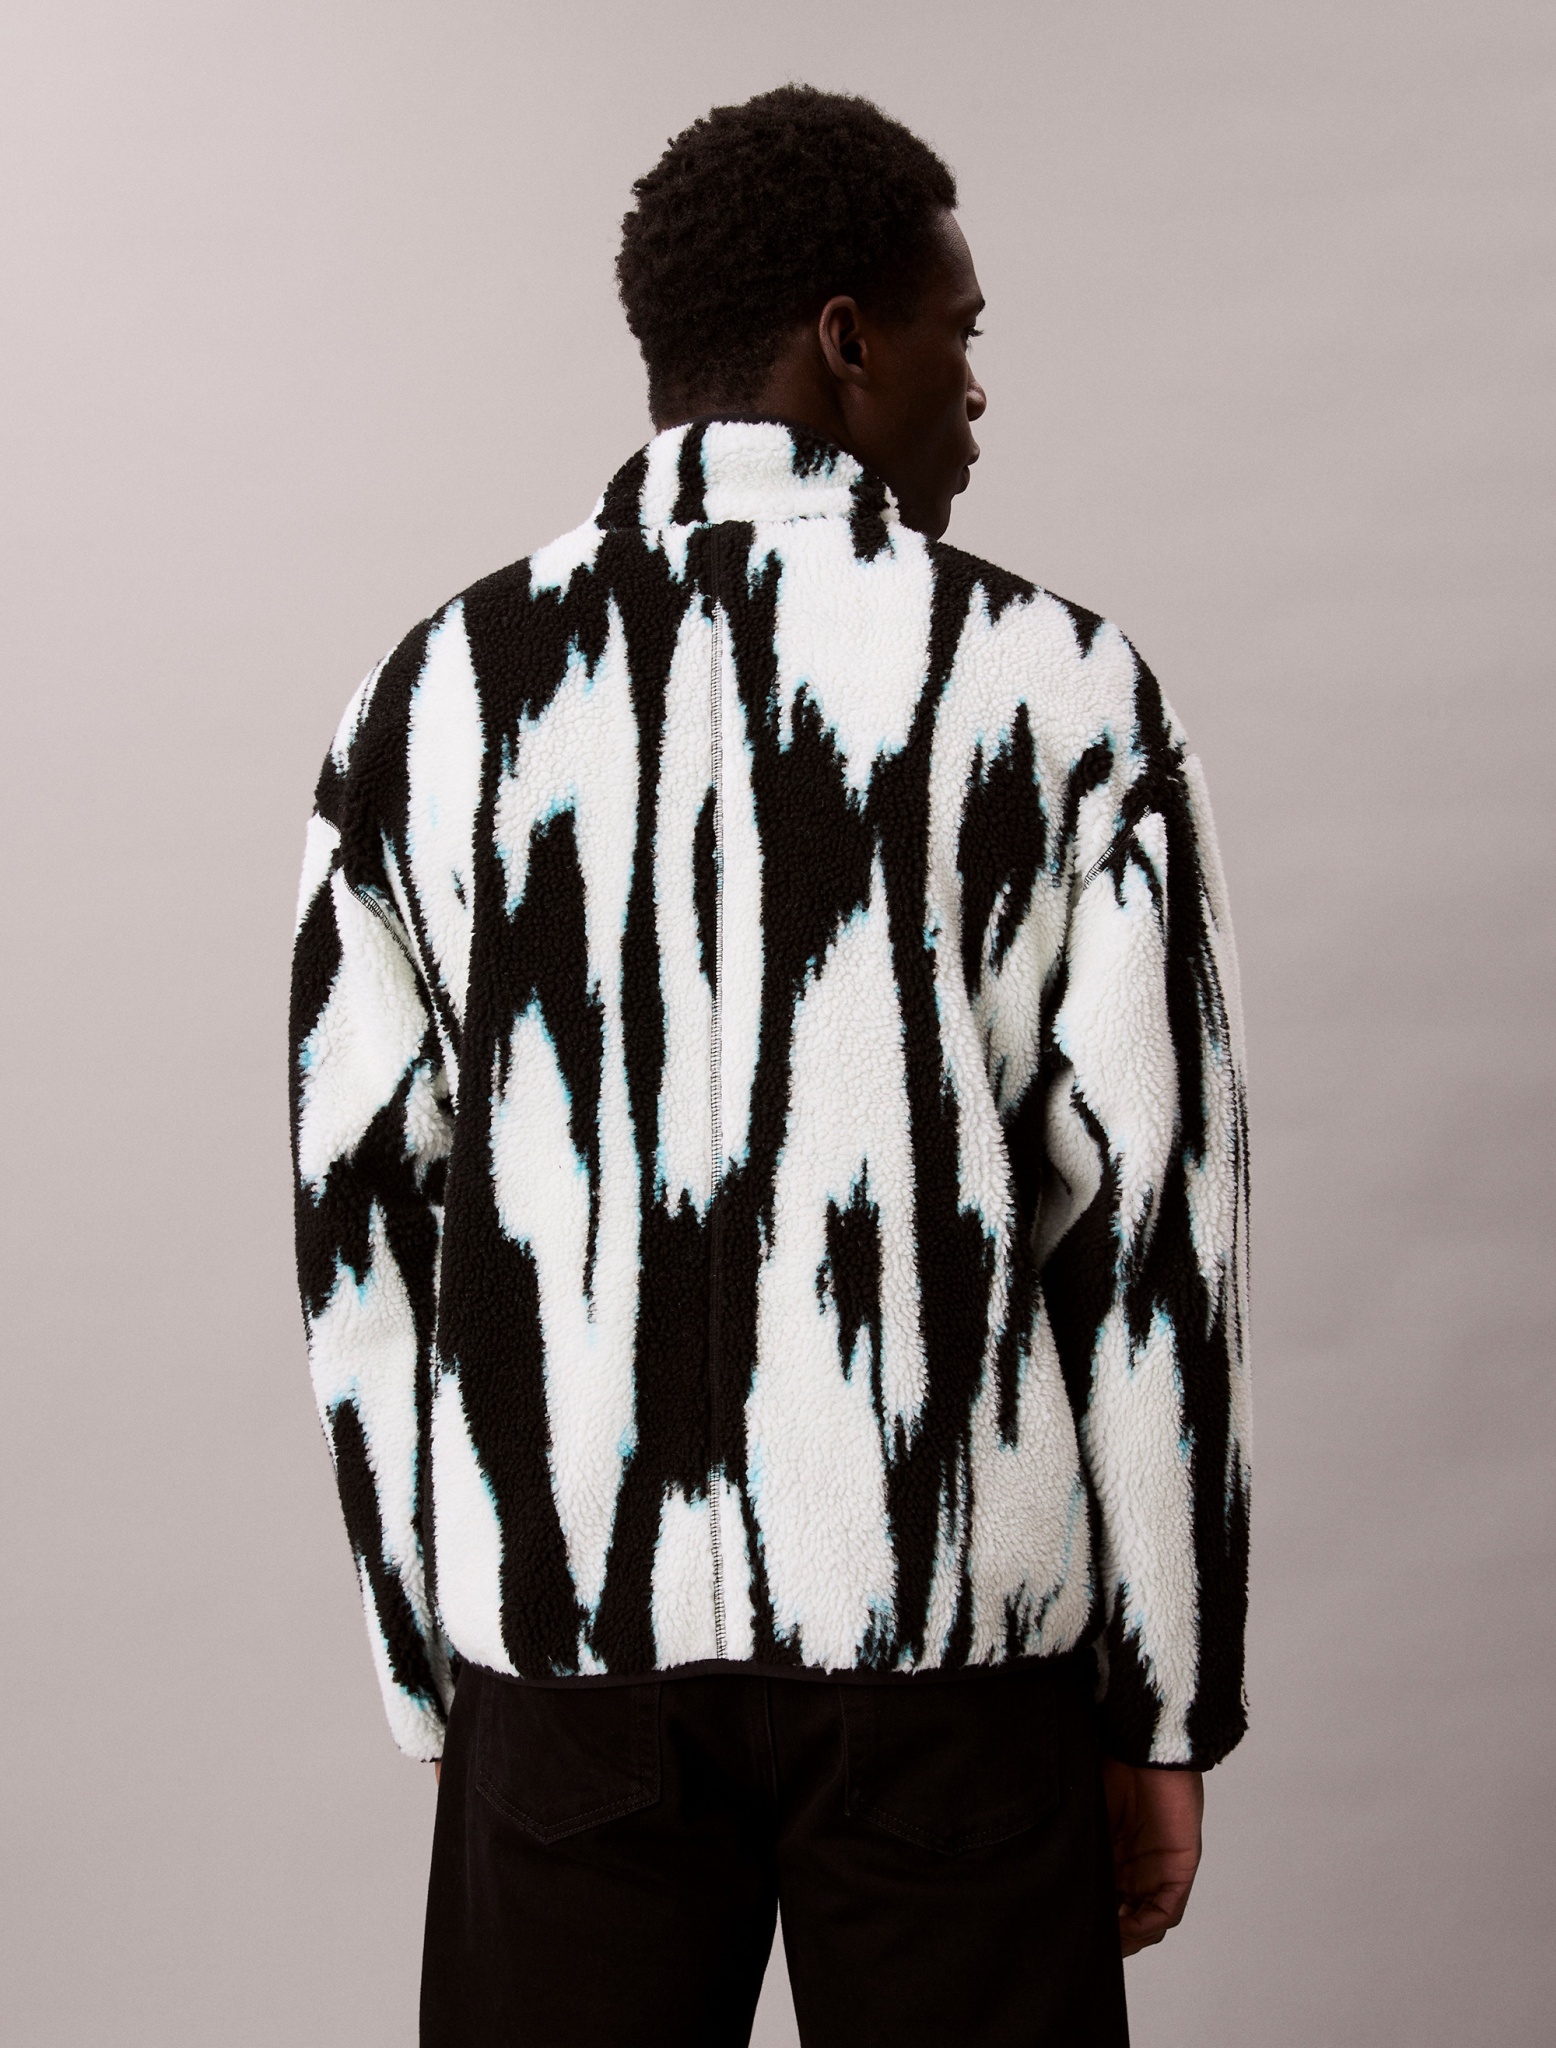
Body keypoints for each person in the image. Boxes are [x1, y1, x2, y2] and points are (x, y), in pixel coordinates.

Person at [289, 83, 1250, 2047]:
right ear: (845, 338)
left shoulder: (429, 702)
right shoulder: (1060, 688)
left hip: (567, 1646)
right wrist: (1161, 1700)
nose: (976, 387)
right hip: (951, 1642)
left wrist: (432, 1647)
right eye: (958, 331)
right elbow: (1152, 1235)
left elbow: (361, 1221)